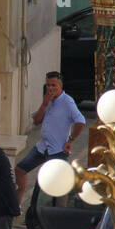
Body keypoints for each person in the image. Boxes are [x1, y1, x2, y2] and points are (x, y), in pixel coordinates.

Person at [15, 71, 86, 206]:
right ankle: (17, 203)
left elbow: (81, 122)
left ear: (60, 86)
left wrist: (70, 140)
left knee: (55, 181)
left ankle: (58, 209)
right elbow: (36, 121)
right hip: (42, 146)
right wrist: (44, 104)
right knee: (20, 170)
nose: (50, 88)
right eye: (48, 85)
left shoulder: (67, 102)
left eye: (53, 85)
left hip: (58, 149)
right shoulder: (48, 101)